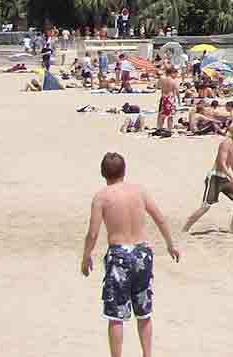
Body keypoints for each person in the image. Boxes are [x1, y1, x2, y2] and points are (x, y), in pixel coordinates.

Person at [80, 152, 181, 357]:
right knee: (144, 312)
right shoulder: (139, 191)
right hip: (143, 253)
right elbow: (160, 218)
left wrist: (86, 256)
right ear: (124, 171)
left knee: (116, 315)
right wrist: (170, 244)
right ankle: (147, 354)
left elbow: (93, 233)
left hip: (119, 256)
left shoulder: (101, 197)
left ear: (102, 173)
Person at [182, 119, 233, 234]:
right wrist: (231, 176)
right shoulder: (226, 142)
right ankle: (185, 229)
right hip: (215, 178)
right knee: (205, 206)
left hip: (224, 178)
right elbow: (221, 163)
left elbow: (232, 161)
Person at [156, 68, 178, 132]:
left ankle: (159, 127)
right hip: (170, 98)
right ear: (172, 73)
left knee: (161, 113)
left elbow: (158, 86)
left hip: (163, 97)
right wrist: (178, 100)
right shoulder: (173, 80)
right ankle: (169, 129)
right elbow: (176, 91)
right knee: (170, 115)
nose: (176, 75)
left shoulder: (162, 78)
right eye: (175, 73)